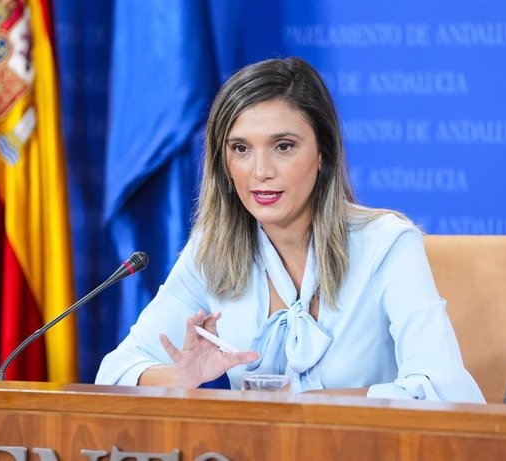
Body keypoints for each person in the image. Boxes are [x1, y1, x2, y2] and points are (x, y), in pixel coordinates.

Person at [95, 57, 484, 403]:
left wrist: (308, 407)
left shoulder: (386, 244)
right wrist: (181, 376)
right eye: (241, 149)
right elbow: (114, 374)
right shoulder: (212, 253)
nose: (260, 171)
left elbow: (444, 390)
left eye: (283, 146)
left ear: (322, 154)